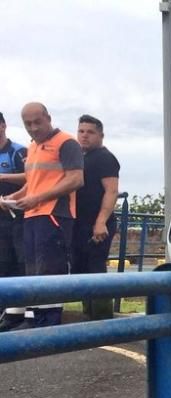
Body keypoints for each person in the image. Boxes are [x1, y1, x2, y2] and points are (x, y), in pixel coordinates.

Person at [1, 103, 84, 328]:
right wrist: (13, 199)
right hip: (32, 214)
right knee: (33, 269)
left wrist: (37, 198)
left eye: (38, 122)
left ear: (48, 117)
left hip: (55, 214)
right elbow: (33, 185)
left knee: (50, 269)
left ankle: (48, 322)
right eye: (28, 124)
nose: (33, 128)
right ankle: (33, 318)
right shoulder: (33, 147)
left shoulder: (66, 143)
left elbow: (76, 179)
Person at [73, 114, 119, 320]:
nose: (84, 136)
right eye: (81, 131)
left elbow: (111, 191)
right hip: (80, 223)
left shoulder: (105, 157)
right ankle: (88, 317)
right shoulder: (81, 158)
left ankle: (102, 320)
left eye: (90, 132)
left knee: (95, 269)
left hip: (98, 224)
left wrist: (100, 221)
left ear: (101, 135)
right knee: (81, 268)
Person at [0, 112, 28, 331]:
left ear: (3, 126)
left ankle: (16, 313)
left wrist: (3, 178)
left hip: (18, 216)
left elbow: (32, 177)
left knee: (18, 262)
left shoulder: (19, 151)